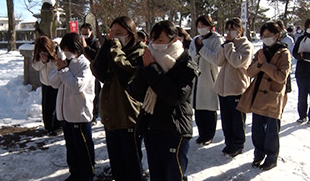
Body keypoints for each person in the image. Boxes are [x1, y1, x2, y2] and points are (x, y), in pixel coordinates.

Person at [127, 20, 199, 181]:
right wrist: (144, 70)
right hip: (152, 127)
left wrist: (153, 70)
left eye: (160, 41)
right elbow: (135, 92)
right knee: (157, 175)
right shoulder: (147, 58)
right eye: (153, 40)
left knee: (174, 176)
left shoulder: (185, 63)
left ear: (174, 40)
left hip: (175, 129)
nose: (155, 44)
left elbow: (176, 96)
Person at [91, 16, 145, 181]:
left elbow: (126, 74)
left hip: (128, 115)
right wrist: (106, 46)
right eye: (112, 33)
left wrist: (114, 47)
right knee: (117, 162)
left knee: (132, 163)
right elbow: (98, 71)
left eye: (119, 33)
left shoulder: (140, 51)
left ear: (130, 33)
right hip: (111, 115)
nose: (115, 36)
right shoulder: (111, 49)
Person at [236, 21, 291, 171]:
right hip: (258, 96)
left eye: (269, 35)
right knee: (258, 131)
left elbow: (281, 76)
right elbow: (249, 72)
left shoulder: (283, 53)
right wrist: (259, 64)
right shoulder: (261, 52)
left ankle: (271, 158)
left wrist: (265, 65)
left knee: (272, 132)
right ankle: (258, 154)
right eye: (264, 35)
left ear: (277, 36)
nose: (266, 38)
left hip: (273, 96)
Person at [199, 17, 253, 157]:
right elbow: (218, 61)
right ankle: (229, 143)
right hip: (223, 88)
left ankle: (238, 144)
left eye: (233, 29)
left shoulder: (245, 45)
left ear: (240, 30)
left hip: (236, 88)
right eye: (228, 29)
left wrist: (229, 46)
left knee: (237, 120)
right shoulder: (227, 44)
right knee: (227, 120)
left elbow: (237, 62)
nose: (230, 32)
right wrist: (225, 46)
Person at [49, 33, 95, 181]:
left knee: (83, 148)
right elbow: (54, 83)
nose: (66, 52)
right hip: (65, 115)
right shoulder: (66, 63)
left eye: (69, 49)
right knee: (71, 148)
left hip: (79, 114)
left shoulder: (84, 64)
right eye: (64, 49)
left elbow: (78, 86)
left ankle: (87, 174)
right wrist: (60, 69)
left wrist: (64, 71)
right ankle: (75, 173)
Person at [189, 15, 222, 145]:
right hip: (197, 77)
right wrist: (197, 52)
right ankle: (202, 134)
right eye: (199, 26)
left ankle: (209, 134)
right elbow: (191, 56)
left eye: (204, 26)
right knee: (198, 108)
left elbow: (215, 59)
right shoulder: (195, 39)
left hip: (209, 76)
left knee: (209, 107)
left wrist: (202, 49)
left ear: (210, 26)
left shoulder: (217, 40)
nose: (201, 29)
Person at [31, 36, 61, 135]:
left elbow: (60, 63)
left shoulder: (57, 49)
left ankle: (57, 126)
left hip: (57, 82)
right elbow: (35, 66)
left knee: (56, 105)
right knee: (46, 106)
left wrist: (48, 60)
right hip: (45, 82)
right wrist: (43, 61)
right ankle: (48, 126)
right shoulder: (37, 51)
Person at [80, 23, 102, 125]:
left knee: (95, 93)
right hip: (83, 71)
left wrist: (86, 47)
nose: (84, 33)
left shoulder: (95, 43)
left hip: (93, 71)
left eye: (86, 31)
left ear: (91, 31)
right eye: (83, 31)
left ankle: (94, 114)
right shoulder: (79, 42)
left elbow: (97, 56)